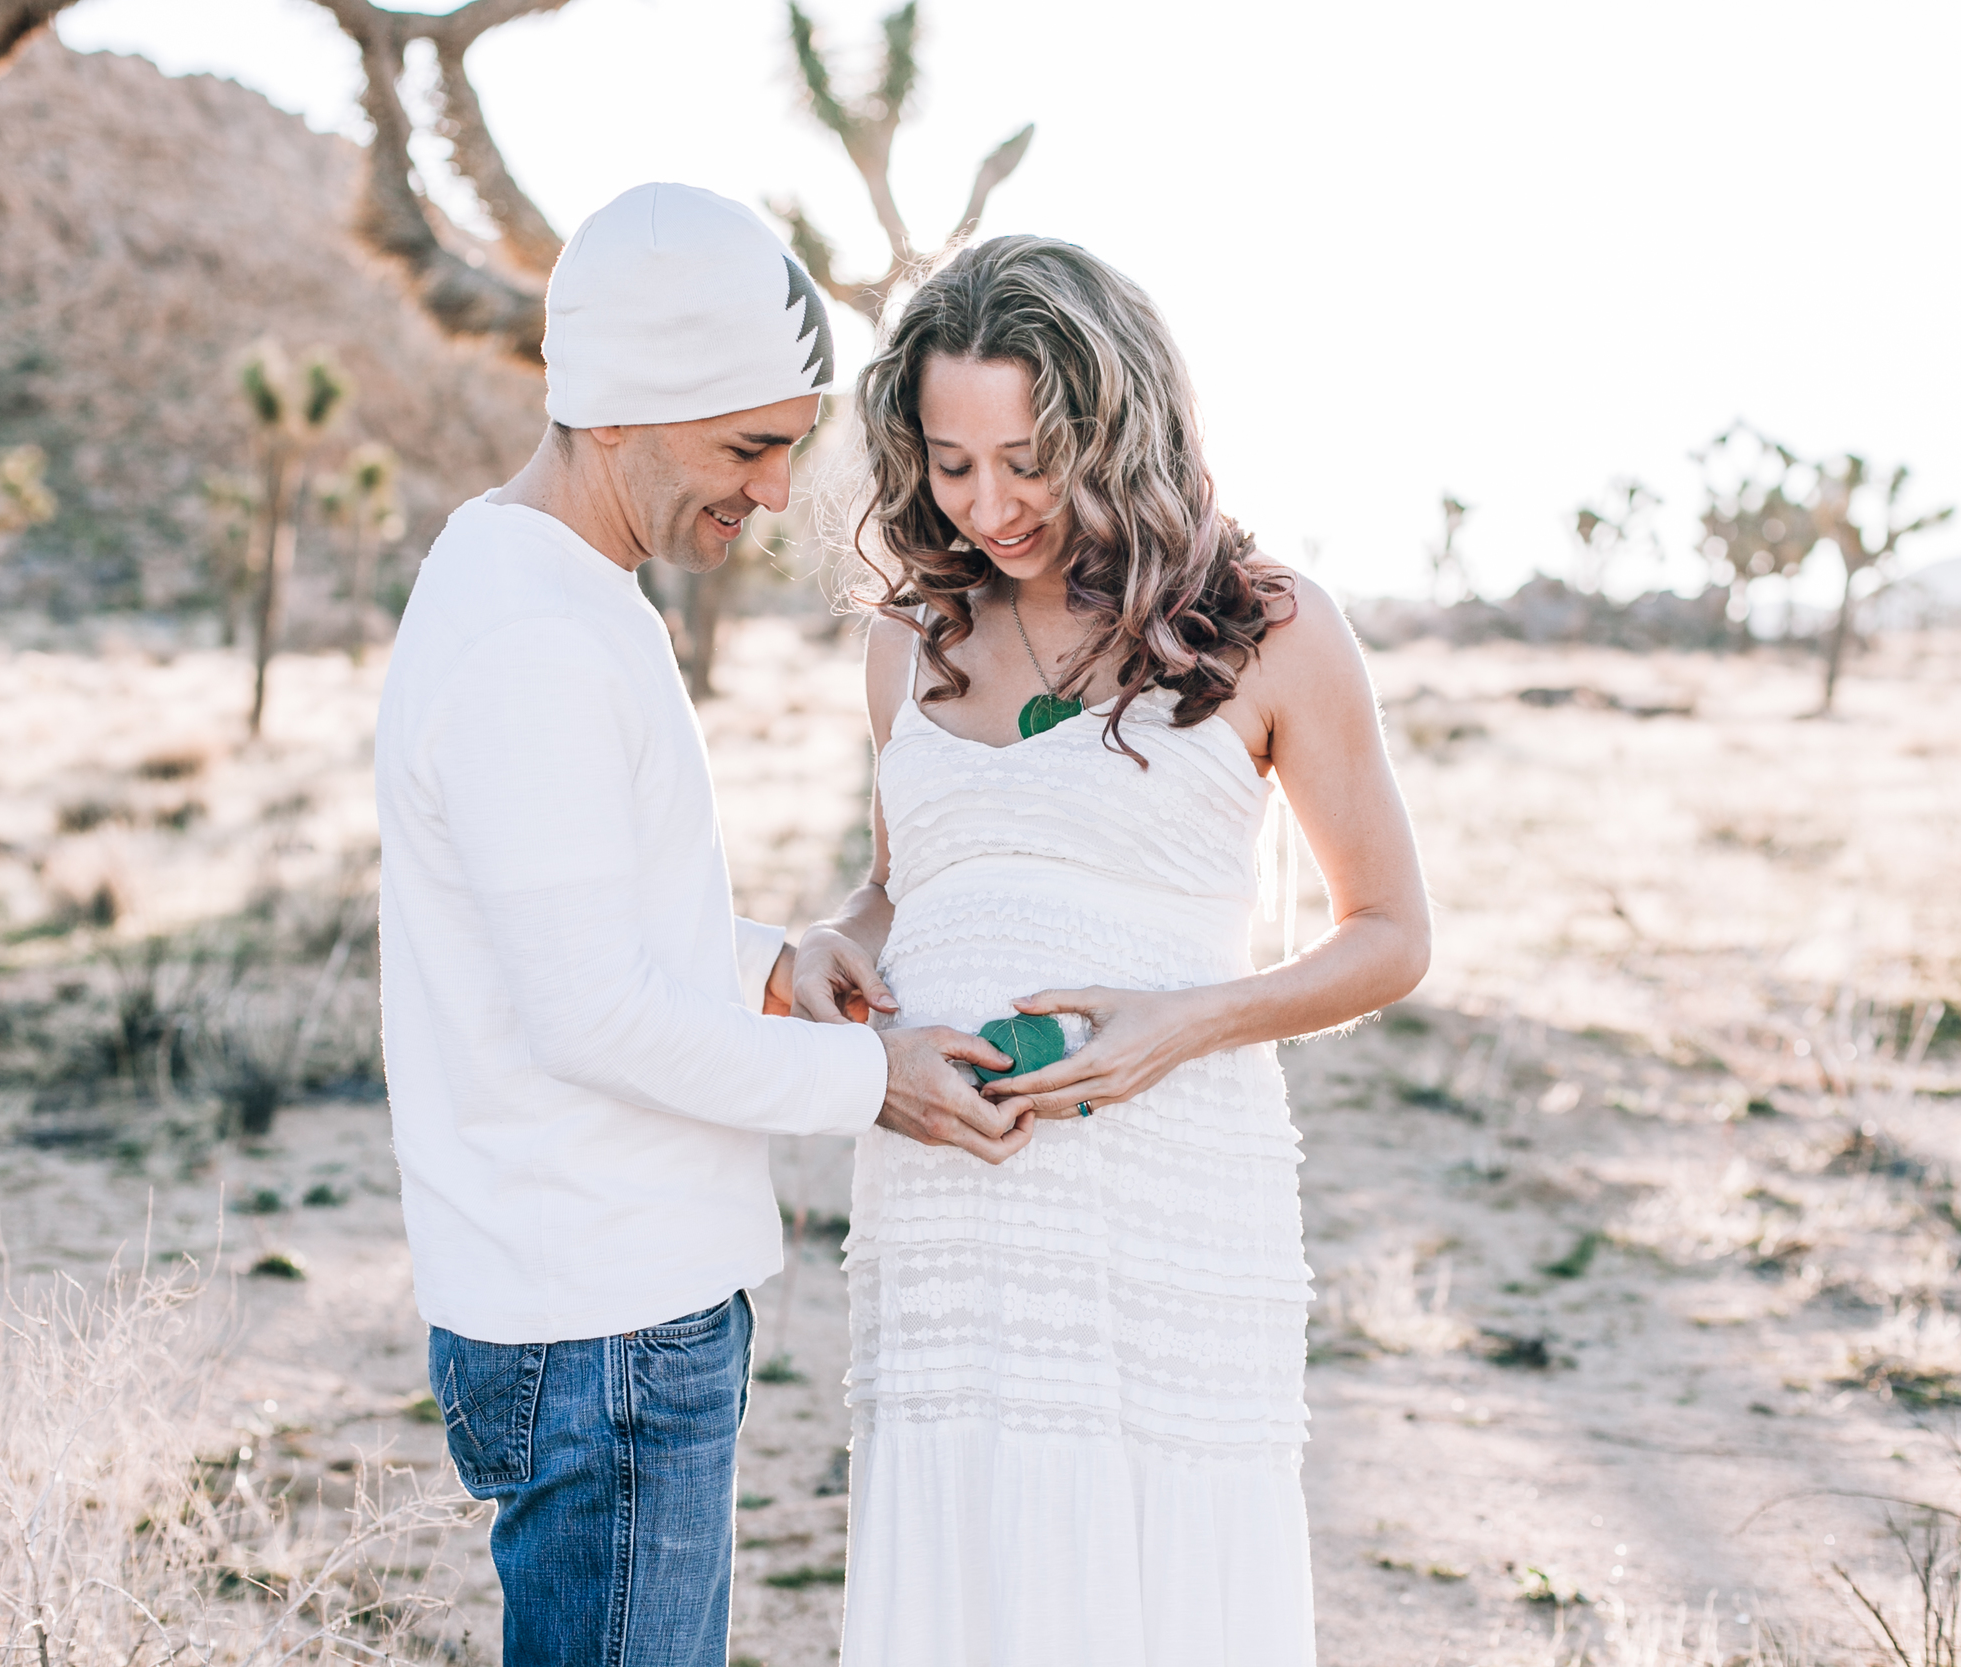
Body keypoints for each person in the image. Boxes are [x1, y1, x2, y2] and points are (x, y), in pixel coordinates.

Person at [374, 183, 1028, 1667]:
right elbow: (589, 1014)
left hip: (605, 1300)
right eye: (749, 446)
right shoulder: (537, 635)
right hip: (600, 1318)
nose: (777, 491)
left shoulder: (541, 582)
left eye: (790, 447)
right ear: (626, 409)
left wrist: (774, 970)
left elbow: (574, 917)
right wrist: (878, 1082)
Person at [791, 235, 1431, 1665]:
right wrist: (838, 937)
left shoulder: (1268, 626)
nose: (990, 502)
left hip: (1172, 1185)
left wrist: (1181, 1023)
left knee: (1161, 1578)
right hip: (948, 1188)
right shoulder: (910, 637)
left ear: (1119, 422)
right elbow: (911, 883)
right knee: (970, 1570)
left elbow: (1392, 936)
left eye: (1029, 457)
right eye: (951, 464)